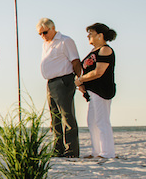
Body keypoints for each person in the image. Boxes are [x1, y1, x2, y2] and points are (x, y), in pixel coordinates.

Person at [38, 18, 82, 158]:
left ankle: (71, 150)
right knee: (55, 117)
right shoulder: (46, 44)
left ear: (53, 28)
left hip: (64, 80)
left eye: (44, 32)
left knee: (67, 116)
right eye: (40, 34)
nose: (43, 36)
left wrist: (78, 80)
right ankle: (58, 149)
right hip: (50, 82)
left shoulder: (65, 41)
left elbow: (75, 61)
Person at [75, 23, 117, 159]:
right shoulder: (94, 51)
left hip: (102, 91)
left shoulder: (105, 50)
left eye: (91, 33)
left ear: (100, 35)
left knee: (102, 121)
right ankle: (96, 151)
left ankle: (107, 153)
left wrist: (81, 80)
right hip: (92, 92)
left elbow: (98, 72)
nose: (88, 36)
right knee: (92, 122)